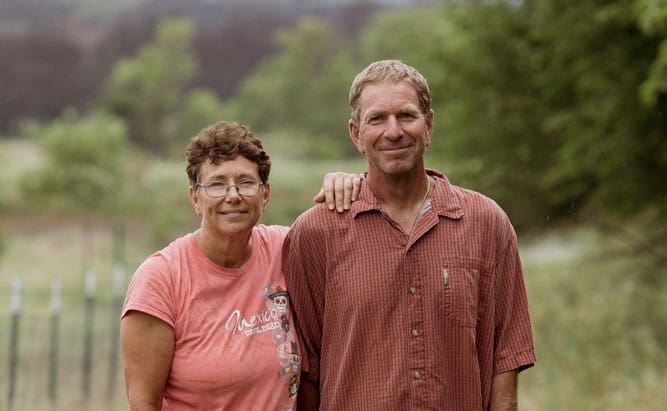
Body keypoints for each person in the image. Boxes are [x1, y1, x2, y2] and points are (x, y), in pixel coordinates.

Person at [283, 60, 536, 410]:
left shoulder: (486, 223)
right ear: (356, 134)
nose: (393, 131)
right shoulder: (316, 233)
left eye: (406, 116)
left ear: (428, 125)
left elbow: (506, 359)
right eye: (377, 119)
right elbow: (306, 370)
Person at [120, 120, 361, 410]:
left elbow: (351, 251)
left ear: (265, 195)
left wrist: (351, 185)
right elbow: (144, 402)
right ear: (195, 198)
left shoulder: (287, 250)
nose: (233, 195)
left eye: (245, 182)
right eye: (217, 184)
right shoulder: (161, 279)